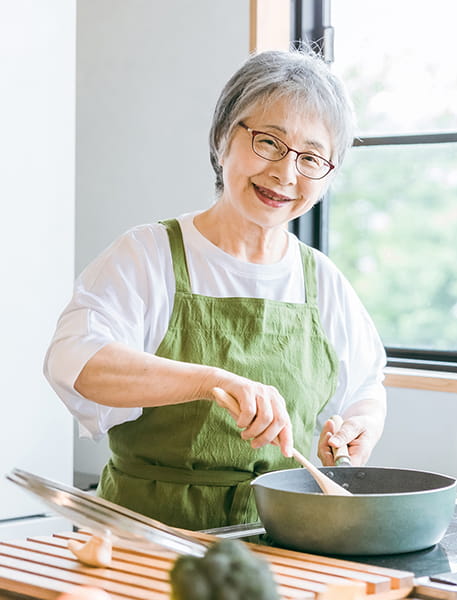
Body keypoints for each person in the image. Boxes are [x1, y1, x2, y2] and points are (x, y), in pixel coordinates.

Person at [44, 48, 387, 531]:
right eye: (269, 142)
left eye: (312, 158)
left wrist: (357, 431)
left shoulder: (323, 281)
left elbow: (365, 388)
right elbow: (74, 361)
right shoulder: (148, 254)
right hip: (146, 538)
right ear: (224, 138)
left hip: (279, 536)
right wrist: (212, 380)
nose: (285, 174)